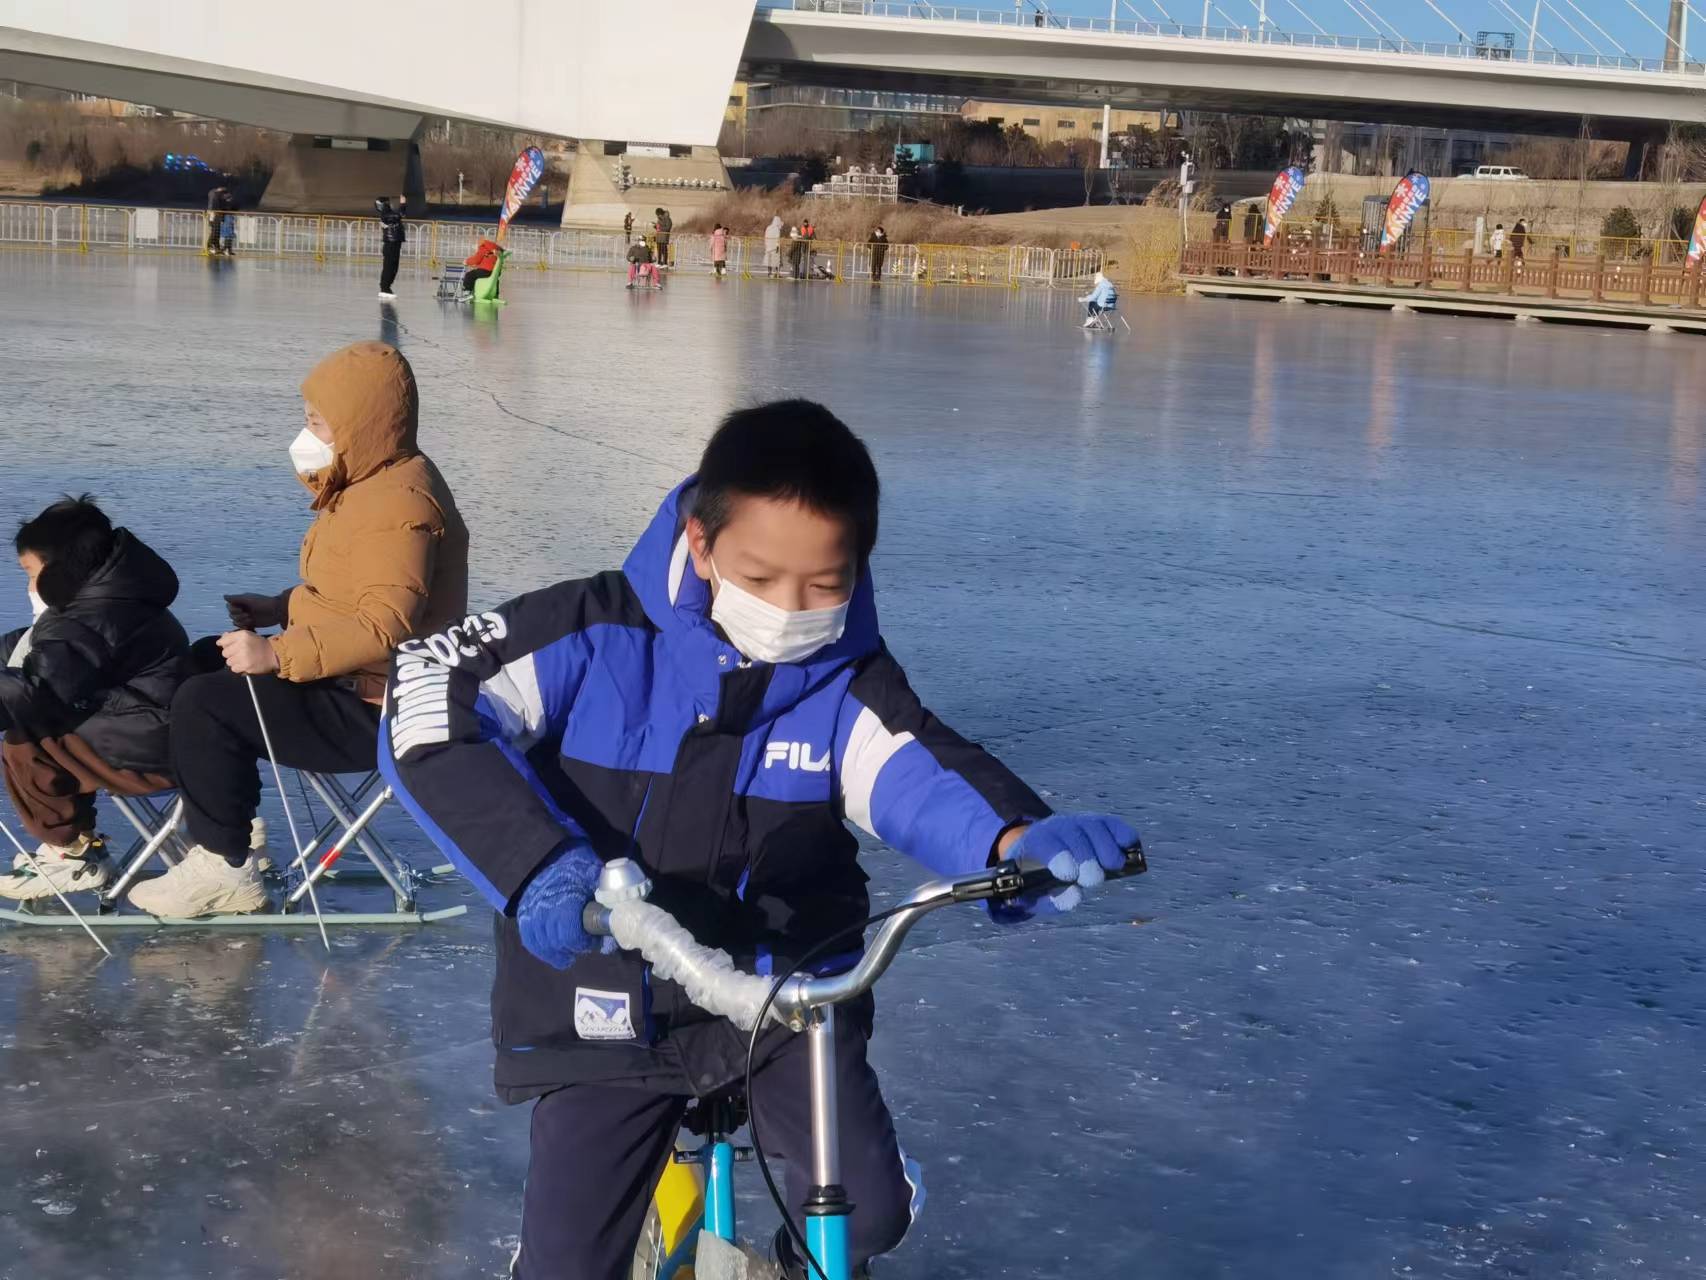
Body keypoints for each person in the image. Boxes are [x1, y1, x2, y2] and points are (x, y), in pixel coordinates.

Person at [379, 400, 1141, 1280]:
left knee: (869, 1215)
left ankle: (786, 1260)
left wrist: (1012, 841)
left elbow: (916, 774)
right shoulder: (589, 634)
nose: (791, 611)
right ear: (700, 543)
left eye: (825, 586)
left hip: (787, 1002)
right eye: (761, 577)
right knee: (567, 1265)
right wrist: (539, 867)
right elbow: (430, 694)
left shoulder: (845, 680)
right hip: (610, 1006)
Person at [127, 342, 468, 918]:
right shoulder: (368, 482)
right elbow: (348, 593)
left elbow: (384, 624)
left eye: (316, 422)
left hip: (376, 708)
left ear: (360, 425)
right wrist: (280, 607)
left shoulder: (399, 503)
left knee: (208, 702)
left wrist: (277, 653)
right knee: (203, 661)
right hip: (348, 681)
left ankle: (225, 866)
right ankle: (234, 830)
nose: (305, 434)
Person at [0, 498, 186, 901]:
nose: (29, 587)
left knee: (27, 734)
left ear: (60, 570)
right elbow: (26, 652)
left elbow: (38, 689)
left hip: (153, 754)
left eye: (31, 574)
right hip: (151, 735)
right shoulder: (107, 602)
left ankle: (70, 853)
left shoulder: (87, 620)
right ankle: (76, 848)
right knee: (49, 718)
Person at [376, 195, 407, 299]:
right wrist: (403, 204)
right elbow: (400, 214)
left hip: (395, 242)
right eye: (388, 202)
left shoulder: (387, 213)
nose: (391, 204)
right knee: (389, 267)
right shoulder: (386, 214)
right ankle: (384, 288)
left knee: (394, 266)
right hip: (390, 243)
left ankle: (387, 287)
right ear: (384, 204)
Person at [205, 186, 228, 255]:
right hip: (215, 214)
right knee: (215, 231)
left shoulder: (212, 193)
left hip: (213, 213)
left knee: (215, 231)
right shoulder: (216, 195)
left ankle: (216, 247)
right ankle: (210, 246)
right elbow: (216, 205)